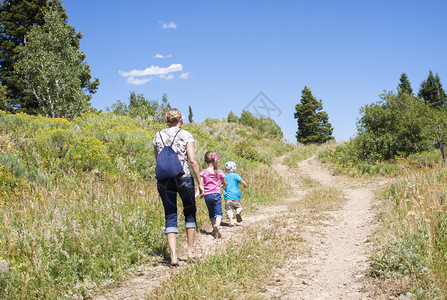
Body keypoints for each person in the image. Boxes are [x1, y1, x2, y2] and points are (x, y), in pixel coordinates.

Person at [153, 109, 204, 267]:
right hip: (183, 177)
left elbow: (158, 159)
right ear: (180, 119)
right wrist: (200, 182)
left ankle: (174, 256)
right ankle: (190, 252)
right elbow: (192, 160)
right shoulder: (185, 134)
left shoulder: (157, 135)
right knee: (189, 211)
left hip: (164, 179)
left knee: (170, 214)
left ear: (167, 120)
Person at [200, 151, 226, 238]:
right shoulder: (219, 172)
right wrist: (223, 186)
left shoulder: (203, 172)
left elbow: (201, 184)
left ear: (205, 162)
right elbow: (224, 183)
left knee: (211, 213)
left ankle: (214, 230)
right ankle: (217, 225)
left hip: (207, 196)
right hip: (216, 195)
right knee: (218, 213)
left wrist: (201, 192)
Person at [223, 161, 248, 227]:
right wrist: (245, 185)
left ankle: (231, 222)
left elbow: (223, 185)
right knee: (238, 207)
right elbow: (241, 181)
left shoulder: (224, 176)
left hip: (228, 196)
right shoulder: (236, 175)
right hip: (236, 195)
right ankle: (238, 212)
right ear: (234, 169)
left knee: (229, 209)